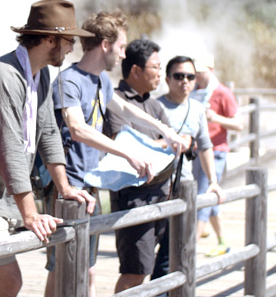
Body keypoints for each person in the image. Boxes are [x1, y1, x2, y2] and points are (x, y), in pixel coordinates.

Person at [0, 0, 97, 297]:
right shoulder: (4, 75)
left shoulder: (39, 75)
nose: (72, 49)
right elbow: (8, 145)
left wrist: (64, 187)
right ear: (50, 38)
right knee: (8, 281)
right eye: (69, 41)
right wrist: (30, 214)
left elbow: (49, 133)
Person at [47, 16, 188, 297]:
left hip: (89, 187)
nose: (124, 54)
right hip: (66, 187)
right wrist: (128, 155)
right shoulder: (69, 81)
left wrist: (165, 130)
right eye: (121, 46)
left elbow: (123, 108)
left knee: (86, 268)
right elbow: (77, 129)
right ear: (105, 45)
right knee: (63, 267)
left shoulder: (100, 80)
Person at [102, 39, 172, 293]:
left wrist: (159, 143)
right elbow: (126, 142)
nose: (160, 74)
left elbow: (170, 140)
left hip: (162, 196)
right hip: (134, 199)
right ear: (136, 70)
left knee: (155, 268)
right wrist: (163, 143)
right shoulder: (116, 101)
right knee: (135, 271)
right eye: (156, 67)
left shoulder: (154, 105)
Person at [153, 56, 226, 287]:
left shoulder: (196, 108)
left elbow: (205, 146)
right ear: (167, 79)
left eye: (190, 76)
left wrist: (213, 180)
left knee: (176, 255)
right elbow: (142, 143)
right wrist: (171, 142)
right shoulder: (156, 106)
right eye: (179, 76)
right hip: (154, 189)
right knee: (142, 262)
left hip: (183, 188)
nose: (185, 81)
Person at [191, 53, 243, 257]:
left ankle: (190, 246)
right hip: (195, 152)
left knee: (203, 195)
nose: (196, 75)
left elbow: (239, 124)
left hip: (216, 151)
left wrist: (216, 118)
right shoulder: (193, 91)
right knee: (208, 197)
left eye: (200, 71)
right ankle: (222, 241)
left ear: (210, 70)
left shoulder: (223, 93)